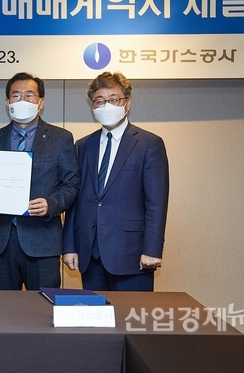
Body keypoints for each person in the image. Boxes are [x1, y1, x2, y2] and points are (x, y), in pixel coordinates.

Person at [63, 71, 169, 291]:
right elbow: (75, 199)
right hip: (90, 254)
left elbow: (156, 203)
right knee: (94, 313)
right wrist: (70, 246)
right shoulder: (83, 146)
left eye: (114, 99)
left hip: (132, 255)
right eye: (99, 101)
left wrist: (152, 250)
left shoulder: (149, 144)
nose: (107, 106)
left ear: (127, 103)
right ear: (93, 106)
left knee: (131, 313)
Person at [0, 72, 79, 290]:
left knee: (42, 307)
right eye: (16, 95)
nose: (22, 100)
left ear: (41, 102)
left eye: (29, 95)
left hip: (42, 243)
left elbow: (71, 184)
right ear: (7, 102)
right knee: (0, 307)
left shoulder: (61, 138)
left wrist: (50, 204)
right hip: (0, 243)